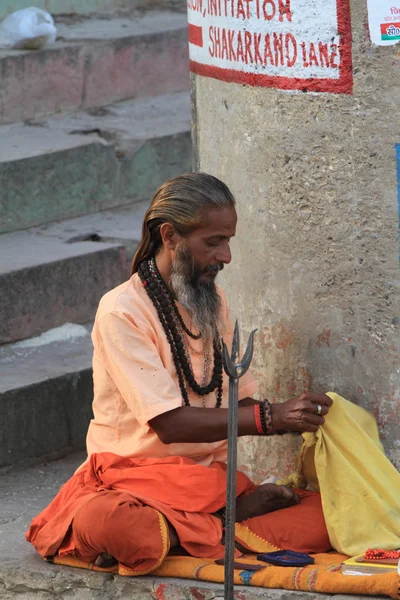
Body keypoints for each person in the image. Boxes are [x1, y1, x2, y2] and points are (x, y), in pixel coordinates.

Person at [27, 173, 333, 576]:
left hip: (206, 484)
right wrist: (272, 416)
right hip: (132, 482)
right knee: (121, 528)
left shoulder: (211, 298)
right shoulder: (122, 311)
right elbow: (169, 424)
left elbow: (237, 401)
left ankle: (201, 526)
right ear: (170, 235)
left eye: (228, 242)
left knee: (330, 515)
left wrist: (300, 418)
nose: (226, 257)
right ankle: (224, 523)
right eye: (213, 242)